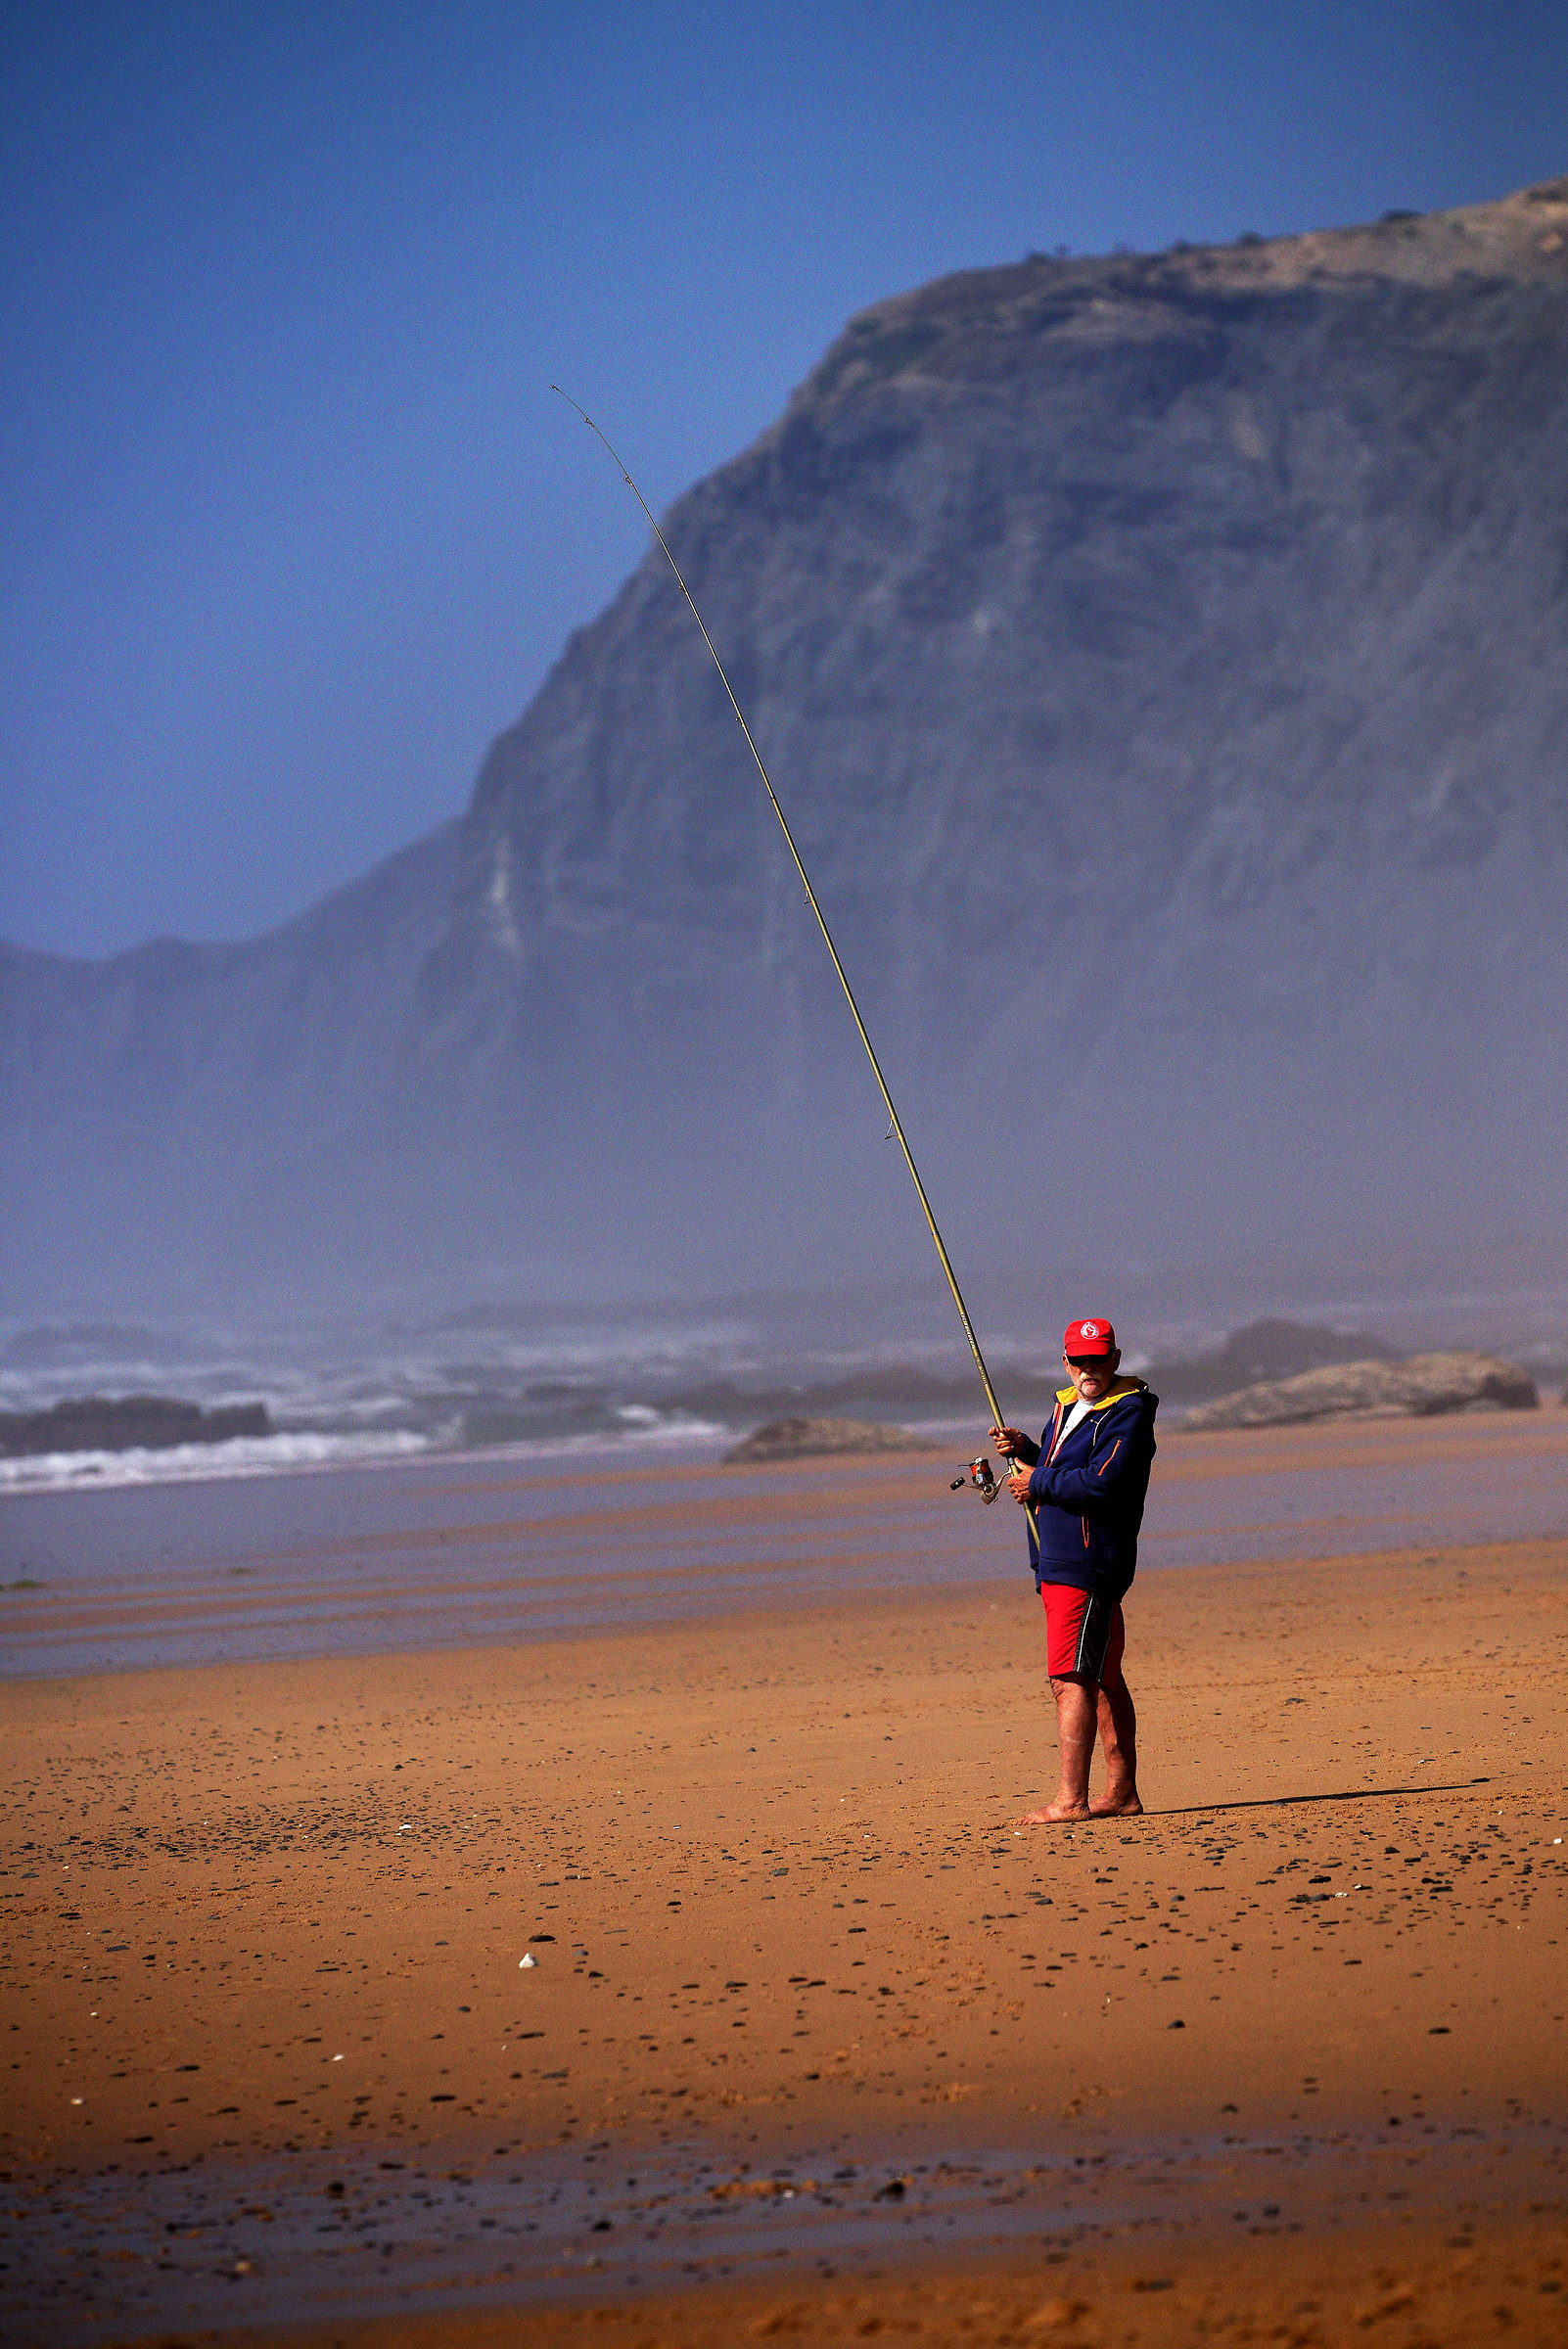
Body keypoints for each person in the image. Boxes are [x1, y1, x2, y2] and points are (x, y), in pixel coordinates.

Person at [992, 1316, 1158, 1822]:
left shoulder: (1129, 1412)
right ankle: (1122, 1794)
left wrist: (1036, 1482)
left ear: (1116, 1358)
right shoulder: (1069, 1404)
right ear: (1066, 1362)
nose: (1089, 1368)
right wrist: (1028, 1453)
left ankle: (1071, 1800)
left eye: (1099, 1358)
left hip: (1088, 1562)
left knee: (1070, 1679)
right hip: (1059, 1557)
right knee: (1104, 1675)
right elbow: (1067, 1469)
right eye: (1080, 1360)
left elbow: (1104, 1483)